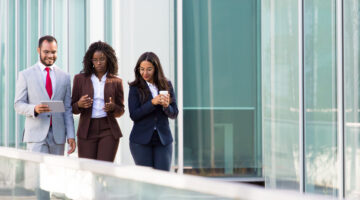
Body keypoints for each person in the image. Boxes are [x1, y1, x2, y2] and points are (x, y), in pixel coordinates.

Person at [14, 35, 76, 200]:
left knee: (55, 179)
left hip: (58, 135)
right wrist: (33, 108)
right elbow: (18, 104)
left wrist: (71, 135)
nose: (50, 56)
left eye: (54, 52)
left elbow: (68, 108)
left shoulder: (64, 76)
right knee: (40, 179)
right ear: (38, 51)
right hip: (36, 134)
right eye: (46, 52)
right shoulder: (25, 75)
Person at [72, 41, 124, 162]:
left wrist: (113, 107)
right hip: (87, 130)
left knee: (104, 169)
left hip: (108, 130)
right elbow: (72, 107)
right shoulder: (80, 79)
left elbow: (120, 111)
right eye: (95, 60)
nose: (99, 63)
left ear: (108, 60)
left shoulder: (116, 81)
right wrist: (79, 104)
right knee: (87, 169)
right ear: (91, 61)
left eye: (102, 59)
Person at [128, 52, 178, 171]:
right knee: (146, 180)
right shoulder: (135, 87)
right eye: (142, 69)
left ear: (156, 69)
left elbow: (174, 113)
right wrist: (152, 103)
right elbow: (134, 115)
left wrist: (166, 106)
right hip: (140, 141)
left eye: (149, 69)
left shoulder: (167, 85)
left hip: (163, 140)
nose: (145, 73)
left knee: (162, 178)